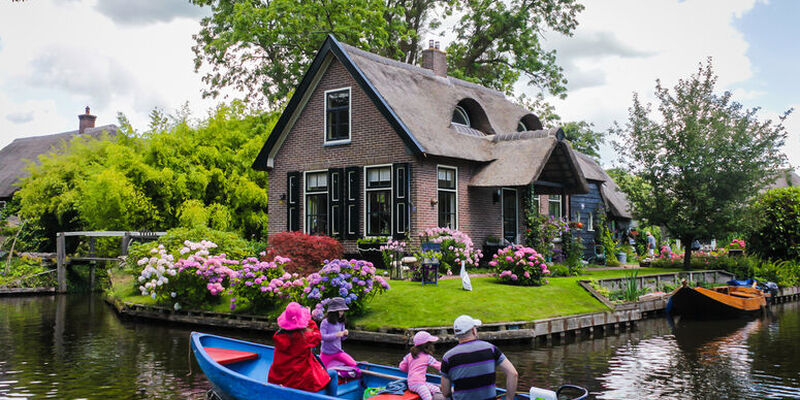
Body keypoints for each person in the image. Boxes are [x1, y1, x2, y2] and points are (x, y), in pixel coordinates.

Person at [440, 315, 518, 400]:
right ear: (474, 331)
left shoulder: (448, 357)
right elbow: (513, 374)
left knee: (437, 396)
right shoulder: (491, 349)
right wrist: (509, 398)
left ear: (456, 334)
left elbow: (445, 392)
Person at [267, 302, 331, 392]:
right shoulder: (305, 337)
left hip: (278, 380)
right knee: (333, 374)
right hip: (299, 382)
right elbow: (317, 336)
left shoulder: (278, 335)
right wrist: (309, 319)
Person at [319, 297, 360, 375]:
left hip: (338, 352)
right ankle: (333, 370)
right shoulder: (325, 322)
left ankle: (338, 371)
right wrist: (336, 335)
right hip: (326, 353)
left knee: (353, 364)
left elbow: (342, 338)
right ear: (334, 311)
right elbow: (322, 337)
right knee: (321, 371)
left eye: (343, 311)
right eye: (340, 311)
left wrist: (345, 334)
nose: (342, 313)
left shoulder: (341, 322)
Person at [399, 331, 442, 400]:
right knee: (428, 398)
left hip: (414, 383)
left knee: (436, 389)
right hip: (418, 384)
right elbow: (440, 366)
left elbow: (402, 367)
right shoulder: (427, 357)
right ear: (427, 346)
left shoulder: (409, 356)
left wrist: (411, 369)